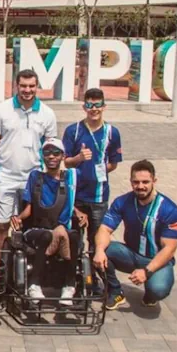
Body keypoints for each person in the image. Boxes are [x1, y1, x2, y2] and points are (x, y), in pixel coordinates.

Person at [0, 69, 57, 268]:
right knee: (1, 225)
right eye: (23, 86)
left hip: (34, 178)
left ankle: (29, 269)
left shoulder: (47, 113)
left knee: (31, 224)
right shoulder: (2, 109)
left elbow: (51, 149)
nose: (27, 90)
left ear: (37, 86)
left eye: (32, 86)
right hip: (6, 176)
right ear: (16, 85)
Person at [94, 160, 177, 310]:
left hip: (158, 260)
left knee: (158, 289)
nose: (140, 186)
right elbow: (104, 229)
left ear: (154, 181)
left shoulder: (169, 209)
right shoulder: (123, 202)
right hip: (132, 254)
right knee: (101, 251)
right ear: (130, 182)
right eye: (136, 182)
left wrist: (146, 272)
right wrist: (99, 251)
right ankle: (115, 291)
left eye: (145, 182)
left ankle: (150, 293)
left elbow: (169, 249)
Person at [11, 138, 87, 305]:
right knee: (46, 236)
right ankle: (34, 284)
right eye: (47, 153)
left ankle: (69, 285)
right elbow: (29, 209)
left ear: (62, 156)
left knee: (75, 237)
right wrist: (17, 218)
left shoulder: (71, 178)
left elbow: (75, 199)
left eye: (56, 153)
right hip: (38, 229)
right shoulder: (35, 177)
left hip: (62, 228)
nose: (51, 156)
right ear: (42, 157)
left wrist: (79, 212)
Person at [63, 88, 122, 257]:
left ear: (104, 107)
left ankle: (96, 275)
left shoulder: (112, 132)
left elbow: (113, 163)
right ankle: (74, 274)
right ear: (84, 107)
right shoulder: (73, 130)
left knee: (97, 240)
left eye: (98, 105)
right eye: (90, 105)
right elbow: (66, 162)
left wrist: (99, 171)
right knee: (74, 238)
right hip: (77, 196)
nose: (94, 109)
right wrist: (79, 158)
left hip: (99, 197)